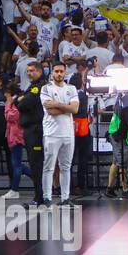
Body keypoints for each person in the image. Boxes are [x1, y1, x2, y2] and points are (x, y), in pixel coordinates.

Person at [39, 61, 79, 206]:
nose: (59, 74)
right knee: (49, 167)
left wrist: (57, 104)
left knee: (66, 167)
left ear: (65, 72)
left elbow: (75, 109)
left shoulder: (72, 88)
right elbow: (51, 111)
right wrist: (66, 107)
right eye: (56, 71)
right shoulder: (45, 89)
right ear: (52, 72)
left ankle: (65, 198)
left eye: (61, 71)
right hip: (51, 133)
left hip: (68, 133)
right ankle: (47, 197)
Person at [16, 62, 48, 206]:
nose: (29, 73)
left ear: (40, 71)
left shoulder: (37, 87)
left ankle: (39, 197)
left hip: (35, 130)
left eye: (32, 71)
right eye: (28, 71)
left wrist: (19, 99)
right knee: (35, 164)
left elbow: (23, 104)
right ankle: (40, 195)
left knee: (36, 164)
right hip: (31, 130)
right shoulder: (33, 86)